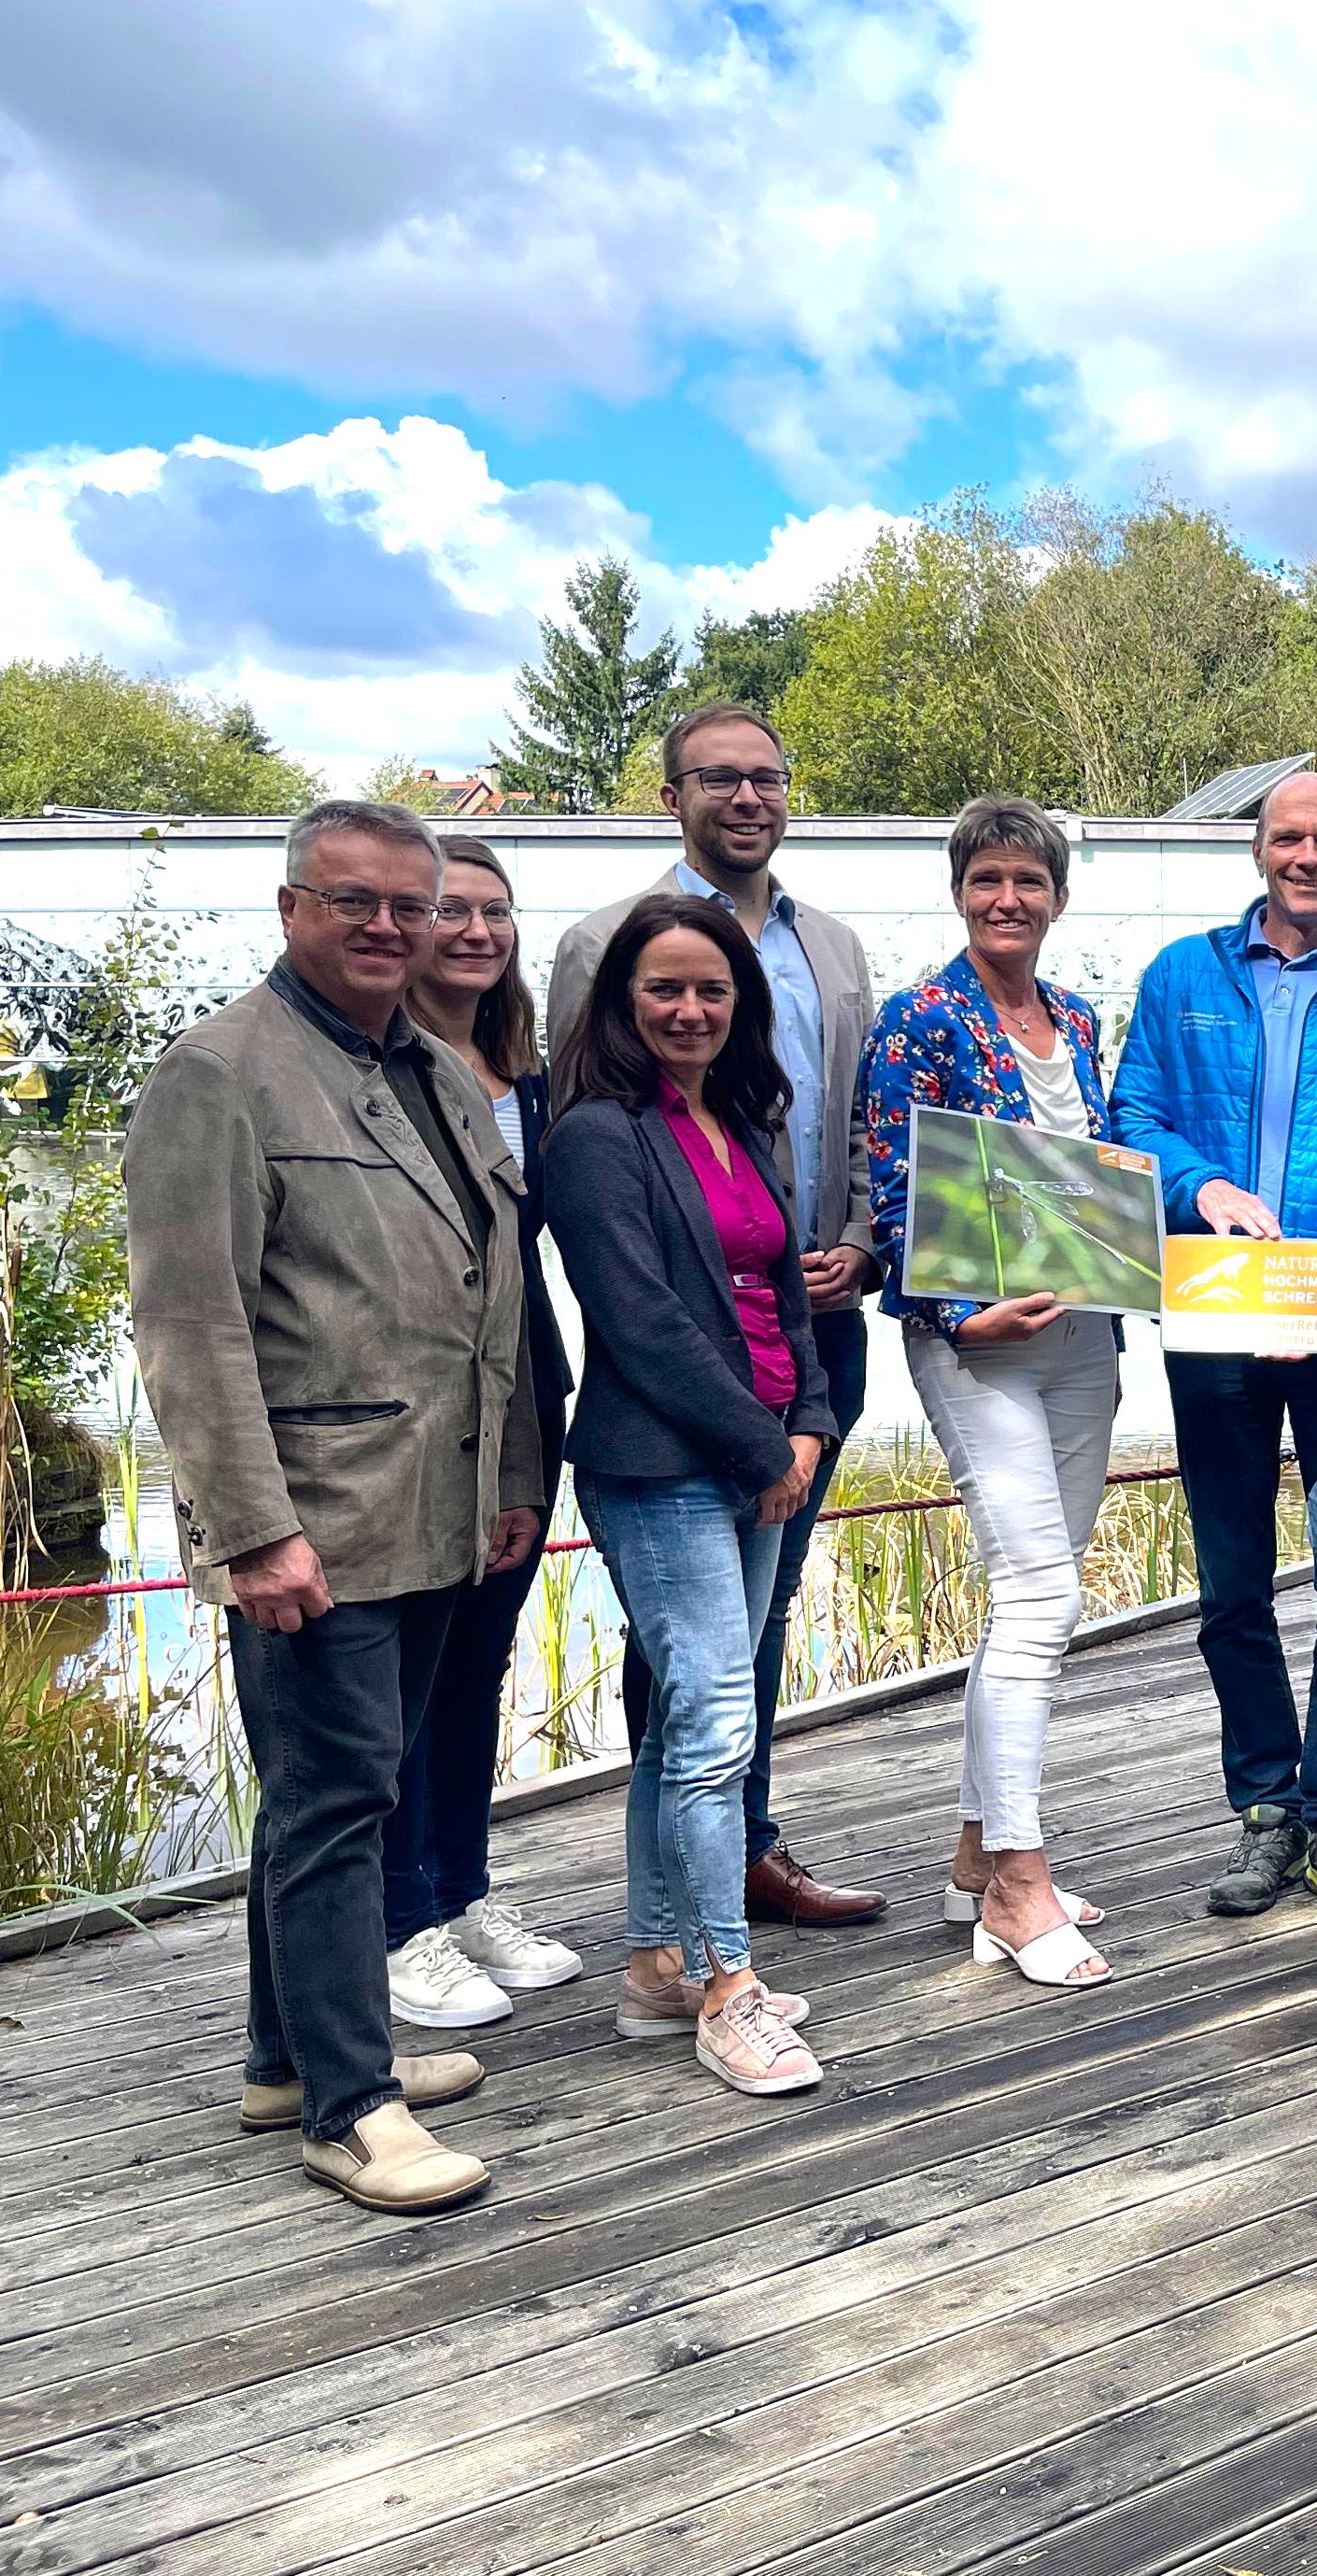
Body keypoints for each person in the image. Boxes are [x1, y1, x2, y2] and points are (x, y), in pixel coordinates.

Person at [126, 799, 539, 2211]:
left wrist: (510, 1485)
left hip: (436, 1504)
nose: (388, 928)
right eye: (353, 901)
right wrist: (251, 1529)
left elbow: (491, 1308)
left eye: (410, 907)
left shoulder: (431, 1066)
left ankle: (288, 2055)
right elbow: (191, 1324)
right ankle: (350, 2108)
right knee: (335, 1799)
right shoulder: (222, 1073)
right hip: (317, 1515)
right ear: (293, 905)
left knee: (337, 1791)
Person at [551, 702, 886, 1932]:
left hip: (807, 1329)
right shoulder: (602, 942)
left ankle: (742, 1848)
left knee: (763, 1613)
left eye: (769, 779)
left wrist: (857, 1244)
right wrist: (760, 1438)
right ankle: (698, 1915)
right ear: (672, 792)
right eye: (720, 779)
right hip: (678, 1369)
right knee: (685, 1648)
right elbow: (595, 1169)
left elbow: (853, 1122)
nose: (748, 799)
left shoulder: (834, 948)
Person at [1112, 769, 1317, 1931]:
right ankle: (1266, 1811)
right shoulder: (1180, 977)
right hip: (1209, 1317)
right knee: (1231, 1584)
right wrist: (1205, 1192)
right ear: (1258, 849)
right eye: (1289, 838)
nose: (1309, 856)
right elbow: (1134, 1124)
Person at [545, 895, 836, 2095]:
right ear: (622, 1001)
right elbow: (641, 1323)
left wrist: (811, 1419)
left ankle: (653, 1968)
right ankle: (728, 1985)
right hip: (663, 1464)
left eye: (711, 990)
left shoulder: (745, 1117)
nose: (689, 1008)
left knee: (683, 1724)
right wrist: (761, 1451)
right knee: (717, 1719)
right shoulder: (595, 1137)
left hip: (768, 1448)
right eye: (663, 988)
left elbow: (786, 1287)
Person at [862, 799, 1123, 1993]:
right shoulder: (918, 1019)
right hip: (974, 1340)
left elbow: (1094, 1175)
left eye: (1028, 880)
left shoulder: (1075, 1017)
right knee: (1043, 1594)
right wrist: (958, 1312)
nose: (1007, 898)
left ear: (1057, 897)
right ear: (960, 890)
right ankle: (1019, 1880)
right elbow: (896, 1179)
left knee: (1039, 1583)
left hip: (1079, 1334)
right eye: (987, 879)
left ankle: (975, 1848)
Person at [383, 833, 582, 2031]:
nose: (474, 932)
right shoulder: (374, 1063)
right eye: (450, 909)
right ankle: (399, 1918)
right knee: (404, 1665)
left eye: (495, 913)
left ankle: (458, 1890)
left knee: (479, 1658)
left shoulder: (528, 1070)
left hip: (526, 1388)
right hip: (416, 1396)